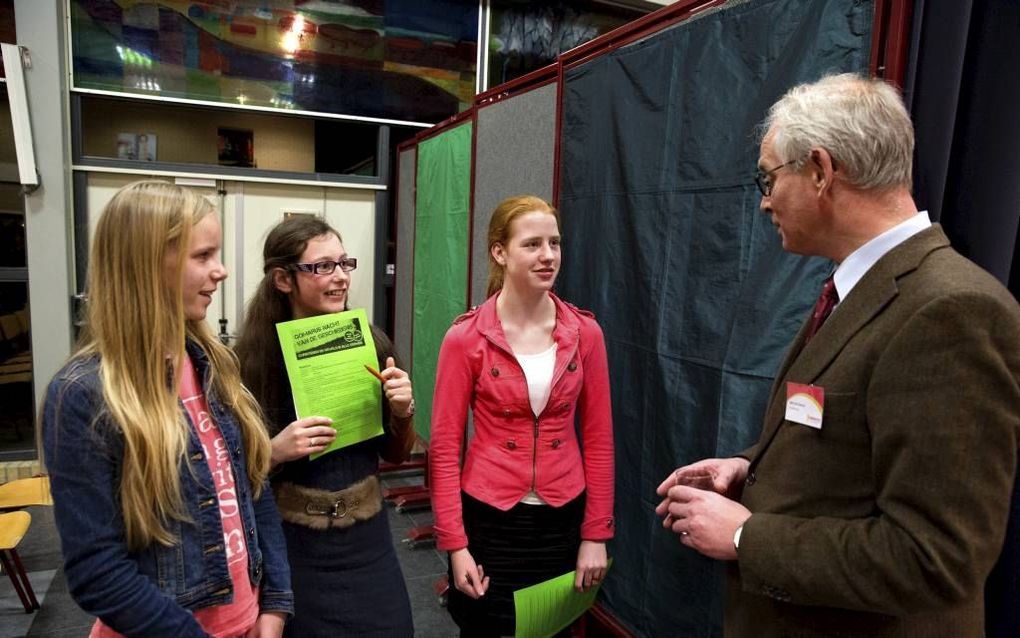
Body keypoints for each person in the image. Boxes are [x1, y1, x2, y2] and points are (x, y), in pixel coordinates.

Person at [655, 73, 1020, 636]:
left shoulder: (950, 310)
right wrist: (754, 469)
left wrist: (745, 536)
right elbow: (853, 444)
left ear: (821, 171)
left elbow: (935, 558)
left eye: (769, 177)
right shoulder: (865, 290)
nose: (764, 201)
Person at [42, 180, 293, 637]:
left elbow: (253, 490)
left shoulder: (215, 365)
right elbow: (97, 570)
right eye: (203, 256)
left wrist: (274, 608)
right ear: (145, 266)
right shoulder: (83, 395)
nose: (221, 272)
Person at [430, 195, 615, 636]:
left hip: (563, 517)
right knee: (487, 627)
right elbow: (443, 449)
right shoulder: (465, 338)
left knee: (553, 628)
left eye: (554, 243)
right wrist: (455, 545)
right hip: (491, 518)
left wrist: (596, 534)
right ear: (500, 252)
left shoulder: (585, 333)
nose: (548, 255)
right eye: (532, 244)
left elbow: (601, 439)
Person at [235, 215, 415, 637]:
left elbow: (396, 454)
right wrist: (273, 451)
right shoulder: (250, 363)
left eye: (344, 263)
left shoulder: (372, 342)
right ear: (283, 279)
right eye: (322, 267)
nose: (340, 278)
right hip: (293, 548)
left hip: (368, 543)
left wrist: (402, 411)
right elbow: (226, 474)